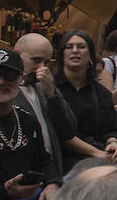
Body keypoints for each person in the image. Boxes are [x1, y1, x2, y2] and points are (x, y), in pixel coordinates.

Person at [0, 48, 61, 200]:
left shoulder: (27, 120)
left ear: (21, 79)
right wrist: (4, 191)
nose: (1, 82)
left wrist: (52, 183)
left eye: (9, 76)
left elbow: (43, 160)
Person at [54, 31, 117, 170]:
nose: (75, 51)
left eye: (81, 47)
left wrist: (113, 143)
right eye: (69, 47)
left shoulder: (101, 93)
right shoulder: (51, 89)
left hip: (95, 159)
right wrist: (96, 153)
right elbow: (61, 134)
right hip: (62, 161)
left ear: (90, 55)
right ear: (62, 54)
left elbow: (110, 129)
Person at [13, 33, 79, 172]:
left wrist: (52, 94)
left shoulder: (44, 85)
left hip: (52, 171)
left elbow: (69, 130)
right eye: (36, 60)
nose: (41, 68)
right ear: (17, 55)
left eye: (47, 62)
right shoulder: (4, 91)